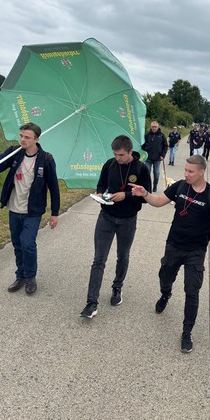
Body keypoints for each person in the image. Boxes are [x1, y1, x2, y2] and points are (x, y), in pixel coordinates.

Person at [129, 155, 210, 353]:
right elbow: (158, 201)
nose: (186, 174)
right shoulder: (180, 186)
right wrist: (144, 193)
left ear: (201, 172)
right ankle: (166, 294)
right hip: (174, 245)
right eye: (185, 170)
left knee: (192, 290)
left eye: (190, 171)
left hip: (196, 250)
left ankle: (187, 331)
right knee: (165, 277)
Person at [0, 122, 60, 295]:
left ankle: (30, 277)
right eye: (21, 136)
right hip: (14, 208)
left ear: (36, 139)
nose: (23, 140)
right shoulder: (14, 153)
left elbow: (54, 188)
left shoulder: (46, 159)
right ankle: (21, 276)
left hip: (33, 211)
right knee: (17, 243)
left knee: (28, 243)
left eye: (27, 137)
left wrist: (55, 213)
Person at [80, 135, 151, 319]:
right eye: (115, 154)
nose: (117, 158)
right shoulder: (109, 164)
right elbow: (101, 184)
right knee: (99, 259)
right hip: (106, 216)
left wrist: (126, 195)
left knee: (123, 255)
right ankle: (91, 303)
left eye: (121, 155)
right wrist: (100, 194)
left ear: (130, 152)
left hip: (128, 219)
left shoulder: (141, 169)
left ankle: (117, 287)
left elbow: (147, 196)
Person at [142, 121, 168, 192]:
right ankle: (147, 186)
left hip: (157, 158)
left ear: (158, 127)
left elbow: (165, 146)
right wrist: (143, 153)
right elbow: (143, 145)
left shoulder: (161, 135)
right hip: (148, 158)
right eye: (153, 127)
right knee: (147, 173)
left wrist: (163, 155)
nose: (154, 128)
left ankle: (155, 185)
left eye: (155, 127)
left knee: (156, 173)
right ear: (151, 127)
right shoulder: (147, 135)